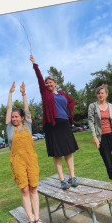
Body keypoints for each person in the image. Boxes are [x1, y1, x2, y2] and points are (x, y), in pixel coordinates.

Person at [30, 54, 78, 190]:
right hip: (52, 125)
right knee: (57, 153)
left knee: (69, 151)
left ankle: (72, 177)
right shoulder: (45, 94)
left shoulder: (62, 94)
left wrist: (69, 113)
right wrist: (35, 65)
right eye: (47, 83)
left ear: (55, 83)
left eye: (51, 82)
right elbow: (39, 78)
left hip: (64, 124)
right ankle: (62, 180)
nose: (48, 84)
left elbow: (71, 101)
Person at [6, 81, 46, 223]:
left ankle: (37, 217)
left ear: (22, 117)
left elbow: (27, 108)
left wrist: (23, 93)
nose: (14, 118)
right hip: (18, 162)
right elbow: (9, 108)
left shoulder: (27, 125)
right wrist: (10, 93)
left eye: (16, 116)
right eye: (13, 117)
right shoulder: (10, 128)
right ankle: (30, 219)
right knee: (25, 190)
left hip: (31, 160)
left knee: (34, 189)